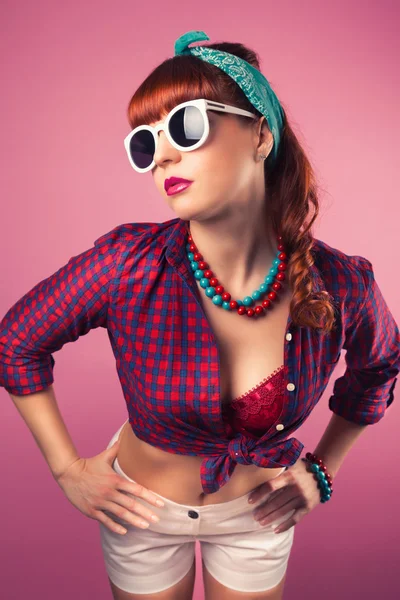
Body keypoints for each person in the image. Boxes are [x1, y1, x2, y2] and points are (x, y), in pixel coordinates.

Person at [1, 30, 399, 600]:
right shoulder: (126, 264)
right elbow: (15, 342)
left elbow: (380, 367)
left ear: (261, 134)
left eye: (186, 126)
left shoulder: (341, 283)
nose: (161, 155)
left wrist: (323, 469)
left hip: (258, 521)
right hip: (138, 512)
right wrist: (67, 469)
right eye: (145, 142)